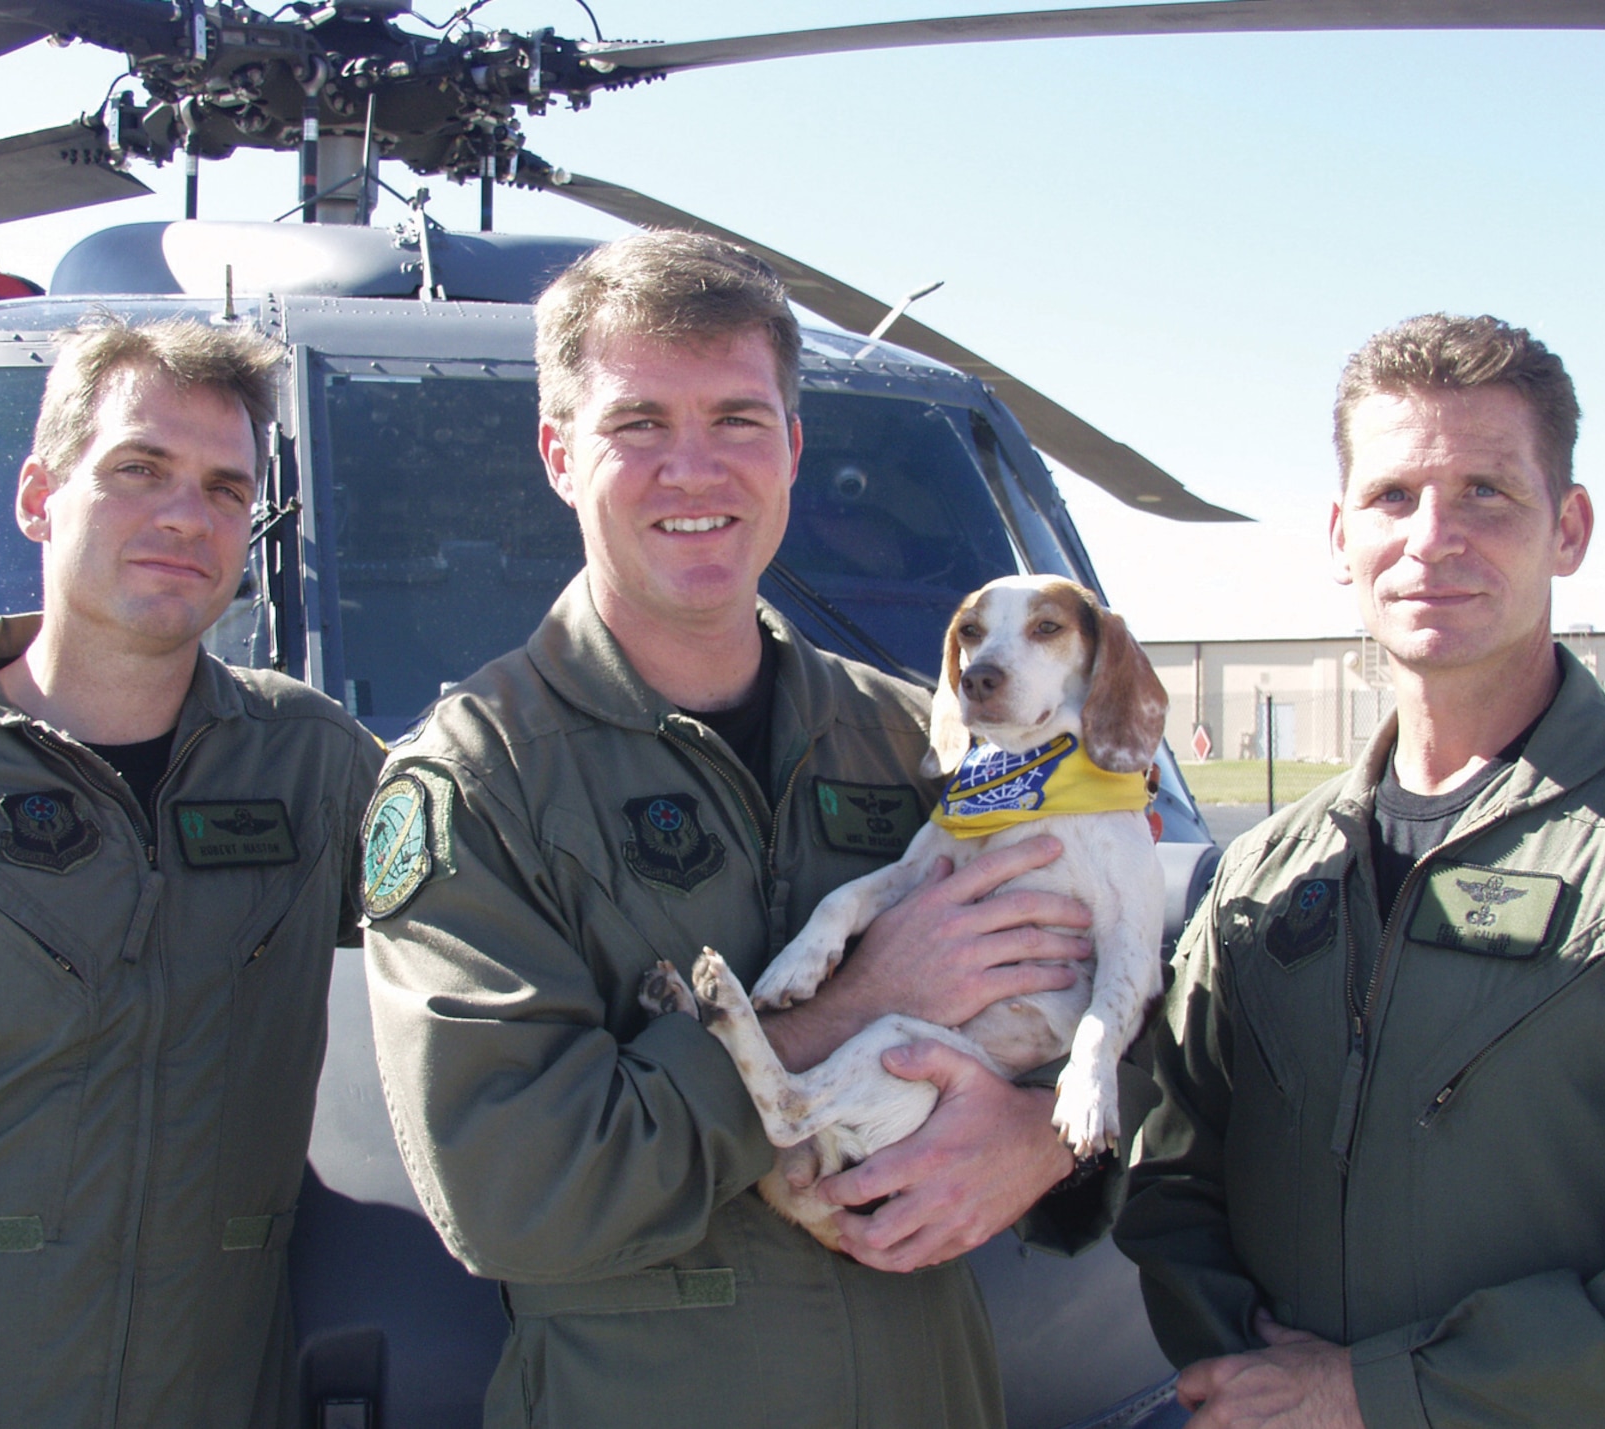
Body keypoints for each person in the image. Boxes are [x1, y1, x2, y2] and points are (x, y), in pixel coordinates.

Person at [363, 231, 1141, 1427]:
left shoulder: (914, 740)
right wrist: (850, 1001)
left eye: (736, 419)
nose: (695, 471)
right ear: (560, 454)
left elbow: (1135, 972)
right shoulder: (480, 778)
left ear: (790, 448)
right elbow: (513, 1191)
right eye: (638, 425)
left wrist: (1043, 1138)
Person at [1115, 313, 1605, 1428]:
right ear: (1339, 535)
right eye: (1391, 496)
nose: (1431, 537)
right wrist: (1248, 1376)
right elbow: (1173, 1180)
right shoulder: (1264, 879)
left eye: (1485, 490)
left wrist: (1375, 1393)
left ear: (1564, 528)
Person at [0, 317, 383, 1427]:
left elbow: (524, 900)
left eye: (222, 489)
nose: (182, 515)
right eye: (136, 470)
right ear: (37, 495)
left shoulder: (314, 767)